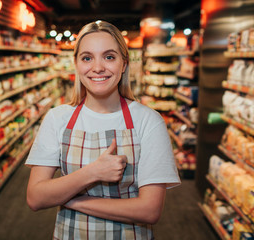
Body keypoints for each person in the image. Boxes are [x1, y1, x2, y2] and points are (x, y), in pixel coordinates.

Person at [25, 20, 181, 239]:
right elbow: (35, 197)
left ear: (124, 64)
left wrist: (69, 198)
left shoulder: (149, 121)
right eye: (87, 58)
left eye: (109, 57)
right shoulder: (57, 119)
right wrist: (93, 172)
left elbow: (149, 210)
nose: (97, 67)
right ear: (77, 64)